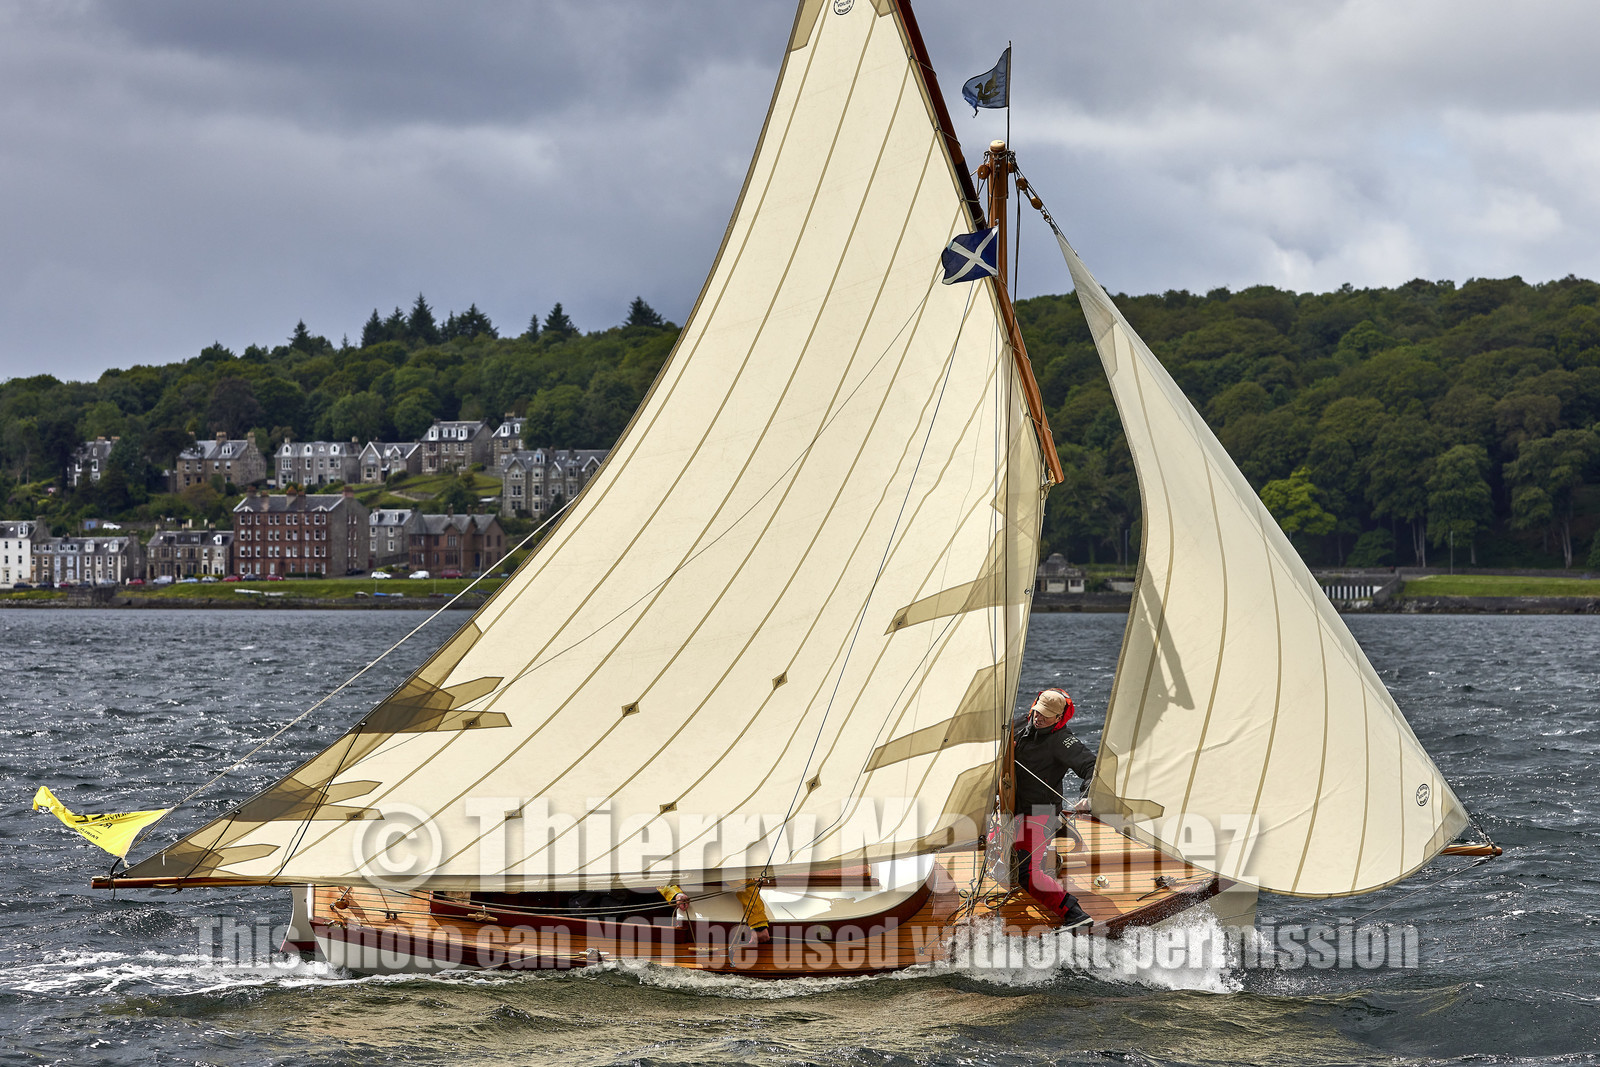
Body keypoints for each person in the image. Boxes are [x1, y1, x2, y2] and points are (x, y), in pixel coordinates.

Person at [1011, 687, 1096, 929]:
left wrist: (1086, 796)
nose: (1039, 718)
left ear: (1059, 718)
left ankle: (1075, 915)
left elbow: (1092, 766)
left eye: (1046, 715)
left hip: (1039, 812)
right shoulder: (1020, 725)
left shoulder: (1063, 741)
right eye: (1037, 712)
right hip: (1011, 809)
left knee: (1026, 873)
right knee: (1000, 864)